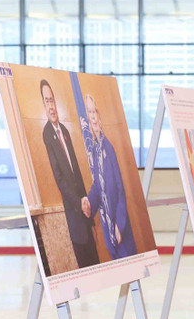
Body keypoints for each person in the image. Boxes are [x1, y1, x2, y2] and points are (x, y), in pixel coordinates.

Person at [40, 79, 99, 268]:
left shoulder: (64, 130)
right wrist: (78, 202)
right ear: (43, 105)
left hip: (84, 211)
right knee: (85, 265)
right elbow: (60, 179)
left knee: (95, 262)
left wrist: (89, 216)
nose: (51, 106)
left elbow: (77, 175)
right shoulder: (47, 134)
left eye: (52, 100)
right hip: (74, 213)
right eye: (46, 101)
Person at [81, 93, 137, 260]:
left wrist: (120, 223)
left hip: (119, 226)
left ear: (99, 115)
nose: (93, 116)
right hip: (108, 229)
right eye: (89, 112)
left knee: (129, 264)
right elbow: (98, 186)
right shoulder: (94, 150)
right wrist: (89, 200)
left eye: (94, 111)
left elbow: (119, 189)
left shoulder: (108, 148)